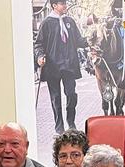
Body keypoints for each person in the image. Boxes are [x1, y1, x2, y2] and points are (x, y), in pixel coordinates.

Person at [34, 0, 88, 134]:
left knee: (71, 94)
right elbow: (38, 44)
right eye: (62, 3)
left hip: (69, 65)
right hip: (52, 67)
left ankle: (71, 122)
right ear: (54, 6)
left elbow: (79, 40)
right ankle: (59, 127)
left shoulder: (70, 21)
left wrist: (91, 41)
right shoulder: (47, 23)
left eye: (65, 3)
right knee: (55, 98)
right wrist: (40, 56)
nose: (65, 6)